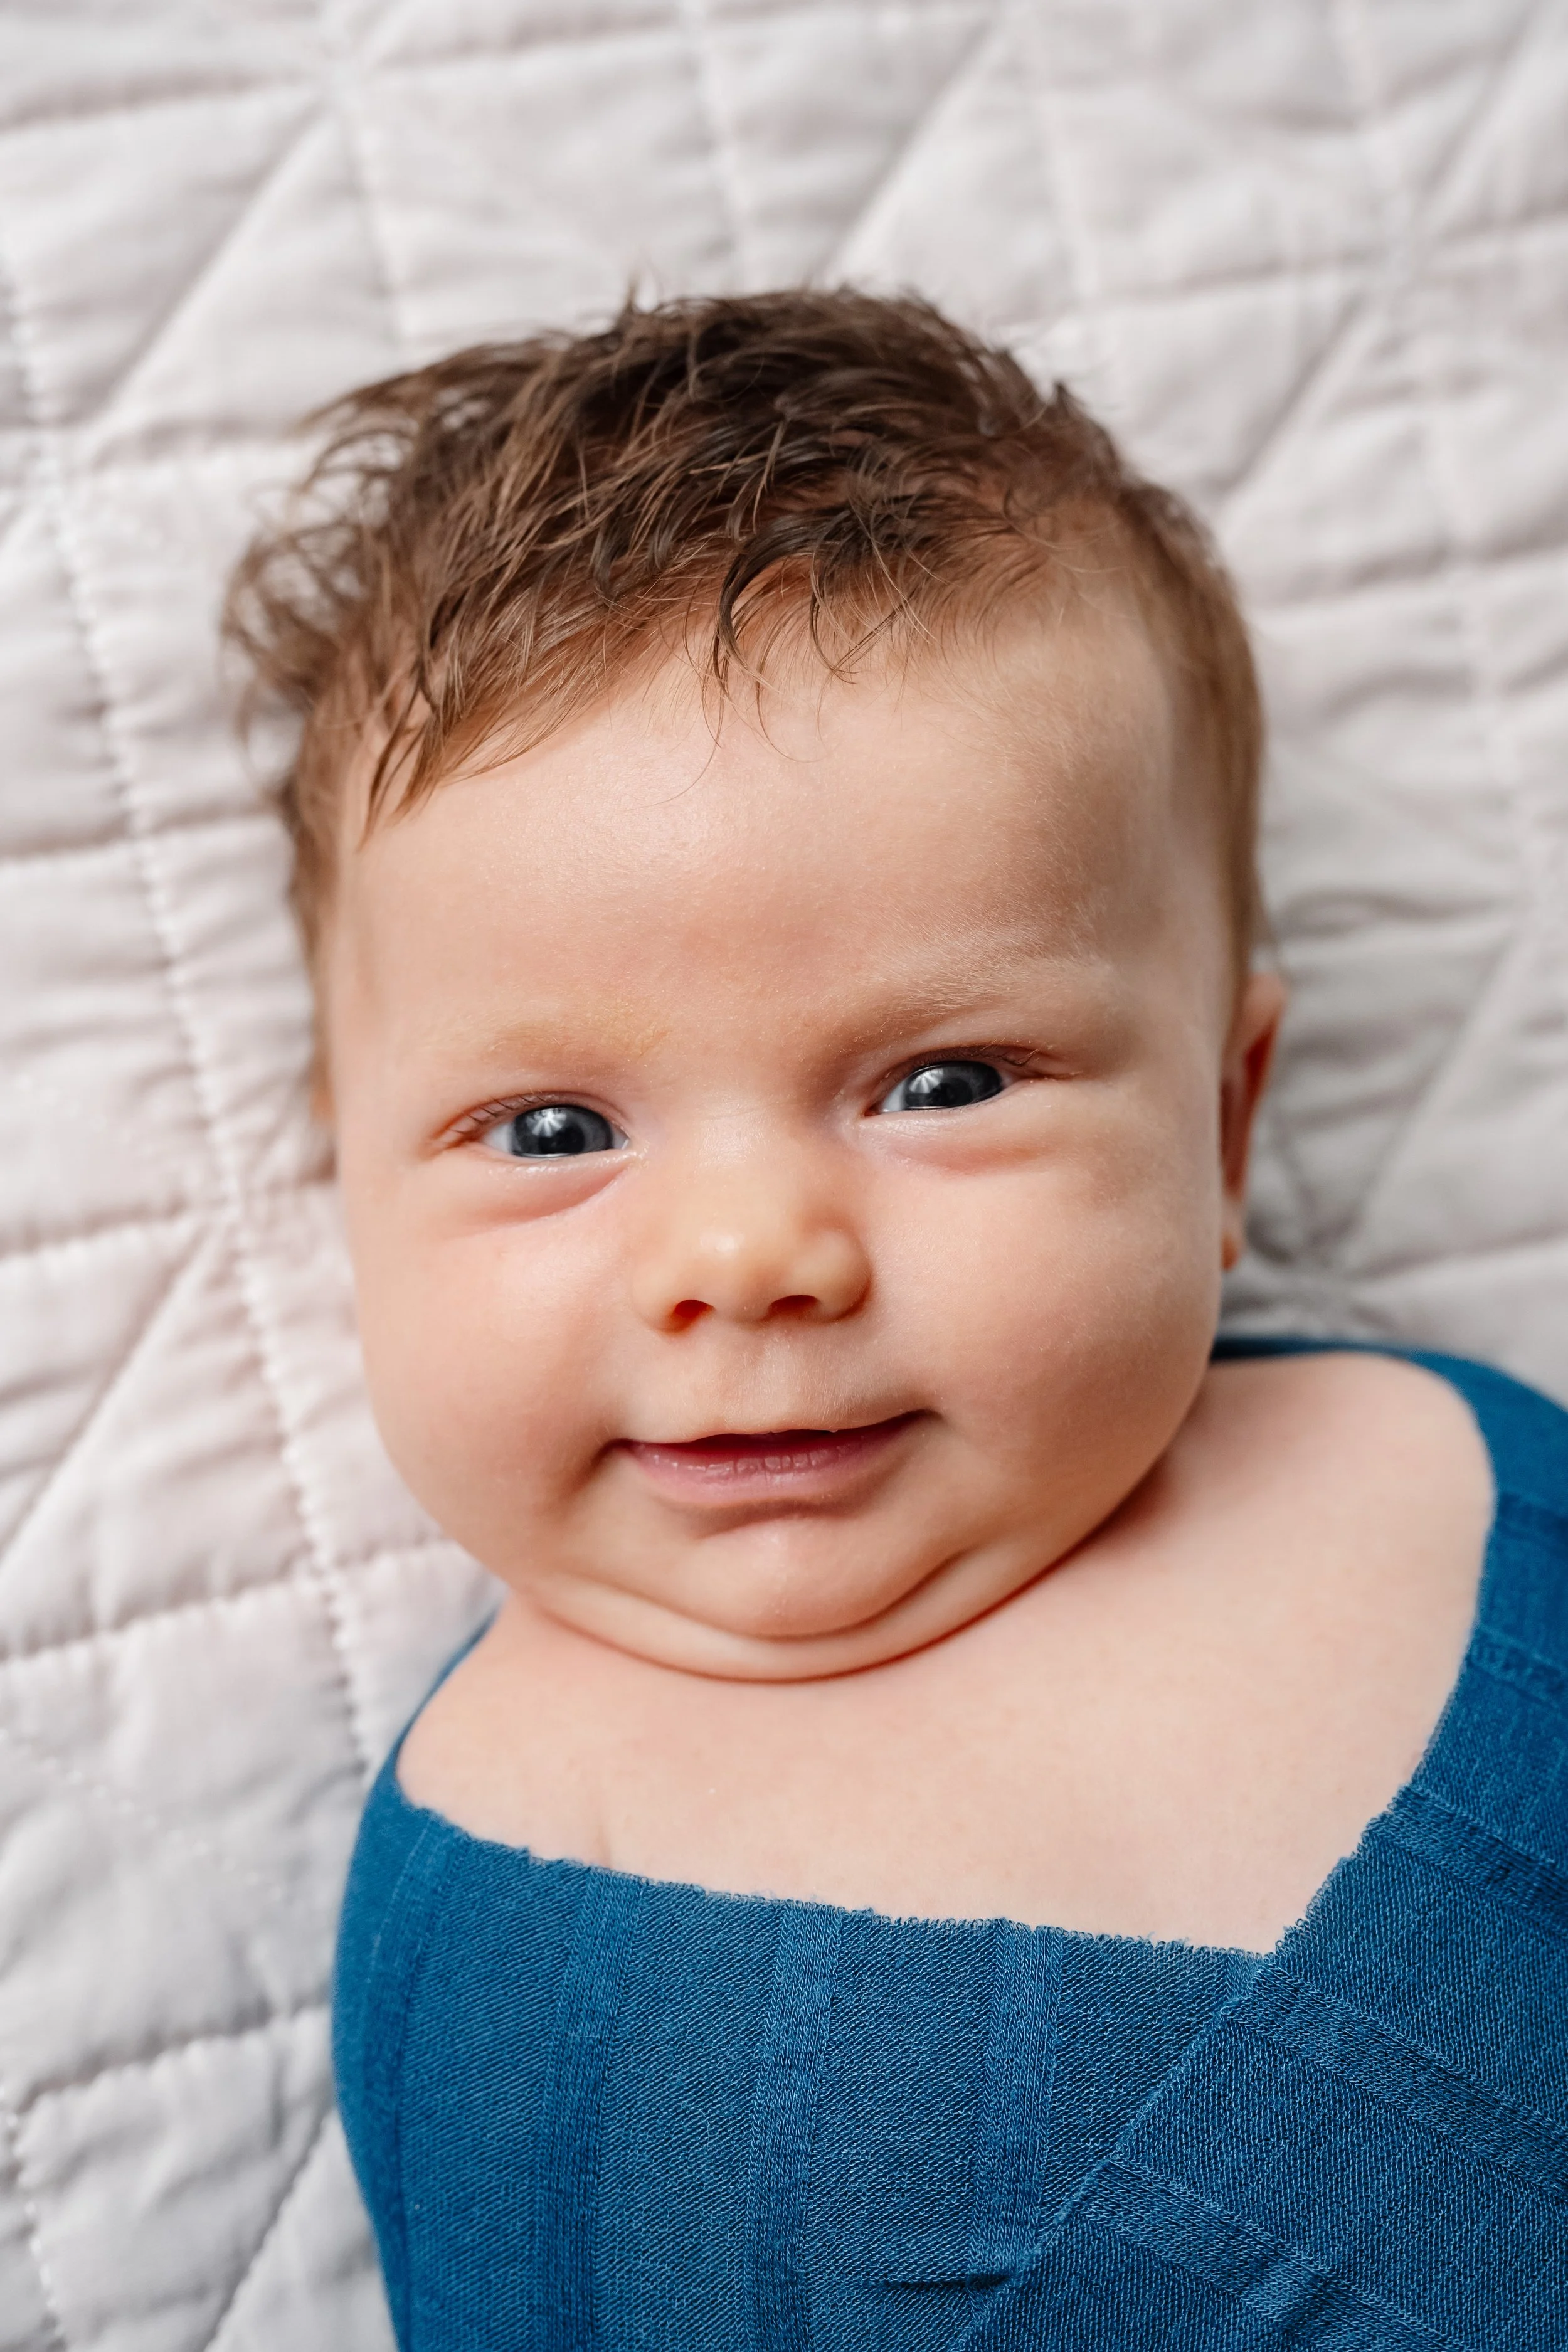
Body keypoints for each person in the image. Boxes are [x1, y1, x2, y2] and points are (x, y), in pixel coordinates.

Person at [227, 290, 1568, 2348]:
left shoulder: (1465, 1456)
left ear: (1223, 1130)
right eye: (551, 1125)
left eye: (942, 1082)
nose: (753, 1254)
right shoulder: (507, 1969)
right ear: (352, 1187)